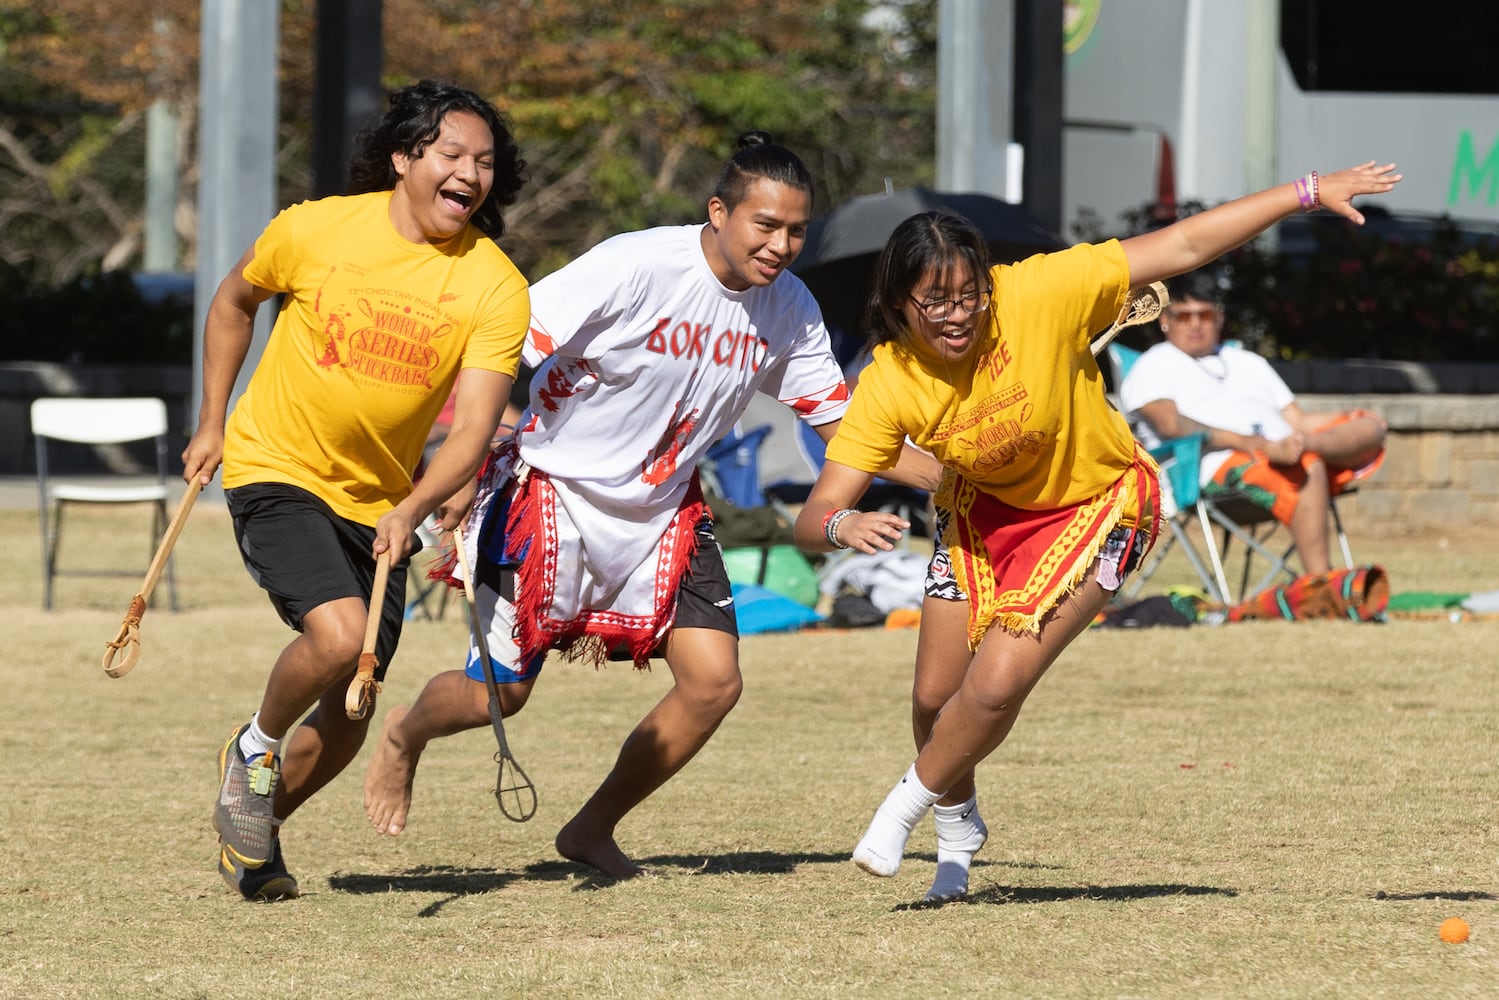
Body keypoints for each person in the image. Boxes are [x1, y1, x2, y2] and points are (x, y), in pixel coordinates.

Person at [792, 162, 1402, 904]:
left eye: (970, 295)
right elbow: (813, 514)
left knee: (995, 685)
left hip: (1101, 505)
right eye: (935, 302)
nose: (958, 315)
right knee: (933, 700)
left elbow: (1180, 246)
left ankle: (898, 812)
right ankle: (957, 829)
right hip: (983, 518)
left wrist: (1302, 194)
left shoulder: (1039, 291)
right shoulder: (888, 378)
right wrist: (841, 520)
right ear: (896, 303)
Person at [362, 131, 942, 878]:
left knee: (713, 684)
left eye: (797, 230)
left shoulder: (788, 306)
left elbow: (848, 431)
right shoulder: (634, 264)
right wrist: (466, 459)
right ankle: (405, 736)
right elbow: (502, 346)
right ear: (718, 211)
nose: (781, 245)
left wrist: (956, 476)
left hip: (664, 510)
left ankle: (591, 827)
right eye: (765, 225)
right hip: (550, 495)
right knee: (495, 699)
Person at [181, 79, 531, 902]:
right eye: (452, 155)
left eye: (484, 163)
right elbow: (233, 304)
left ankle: (255, 833)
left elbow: (475, 427)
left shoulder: (494, 283)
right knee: (340, 639)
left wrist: (412, 506)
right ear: (405, 157)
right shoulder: (312, 227)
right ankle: (255, 746)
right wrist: (211, 419)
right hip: (277, 467)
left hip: (381, 503)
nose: (469, 175)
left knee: (350, 706)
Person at [1119, 269, 1387, 577]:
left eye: (1204, 315)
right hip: (1212, 467)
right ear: (1165, 320)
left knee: (1368, 427)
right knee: (1309, 464)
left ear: (1219, 318)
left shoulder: (1247, 362)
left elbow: (1297, 419)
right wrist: (1246, 442)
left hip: (1287, 446)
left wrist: (1357, 420)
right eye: (1184, 316)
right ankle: (1320, 582)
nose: (1195, 324)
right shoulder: (1153, 364)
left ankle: (1300, 447)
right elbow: (1170, 424)